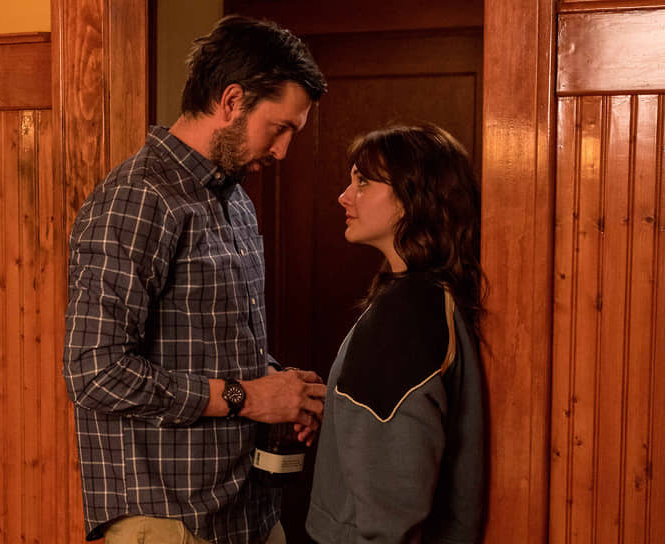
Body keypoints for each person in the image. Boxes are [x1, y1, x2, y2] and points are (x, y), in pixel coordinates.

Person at [63, 15, 328, 544]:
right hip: (171, 520)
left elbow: (207, 343)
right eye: (279, 128)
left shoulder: (235, 199)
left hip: (249, 510)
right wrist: (249, 396)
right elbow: (93, 371)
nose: (282, 151)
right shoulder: (140, 197)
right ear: (231, 101)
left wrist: (283, 388)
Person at [306, 124, 487, 543]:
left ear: (411, 198)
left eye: (363, 182)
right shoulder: (426, 295)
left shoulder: (405, 314)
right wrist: (338, 412)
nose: (344, 196)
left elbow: (394, 501)